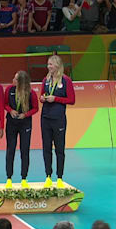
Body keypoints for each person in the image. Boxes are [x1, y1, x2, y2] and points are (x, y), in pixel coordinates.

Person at [40, 55, 76, 188]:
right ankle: (48, 176)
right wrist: (43, 99)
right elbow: (42, 95)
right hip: (45, 118)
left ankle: (59, 177)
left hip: (59, 119)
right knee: (46, 148)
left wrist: (56, 99)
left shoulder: (66, 80)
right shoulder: (46, 80)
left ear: (57, 66)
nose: (48, 67)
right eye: (48, 64)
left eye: (51, 64)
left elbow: (71, 100)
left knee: (59, 149)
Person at [4, 71, 39, 189]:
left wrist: (26, 114)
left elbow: (35, 108)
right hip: (11, 123)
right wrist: (10, 110)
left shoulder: (31, 93)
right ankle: (9, 178)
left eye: (15, 79)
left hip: (25, 124)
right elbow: (5, 104)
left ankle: (24, 178)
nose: (12, 80)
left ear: (21, 82)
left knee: (25, 150)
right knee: (10, 150)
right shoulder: (9, 89)